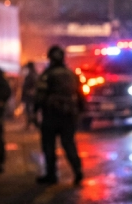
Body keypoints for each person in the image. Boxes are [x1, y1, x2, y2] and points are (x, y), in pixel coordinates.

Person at [34, 45, 85, 186]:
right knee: (69, 144)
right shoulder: (71, 74)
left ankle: (52, 175)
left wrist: (34, 111)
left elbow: (40, 95)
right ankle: (78, 171)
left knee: (49, 146)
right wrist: (81, 112)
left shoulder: (46, 75)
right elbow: (80, 94)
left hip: (51, 115)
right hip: (68, 116)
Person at [21, 61, 38, 130]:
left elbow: (30, 87)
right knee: (31, 111)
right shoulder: (35, 74)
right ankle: (32, 124)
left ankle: (31, 124)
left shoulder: (31, 75)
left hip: (30, 97)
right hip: (31, 97)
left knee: (29, 111)